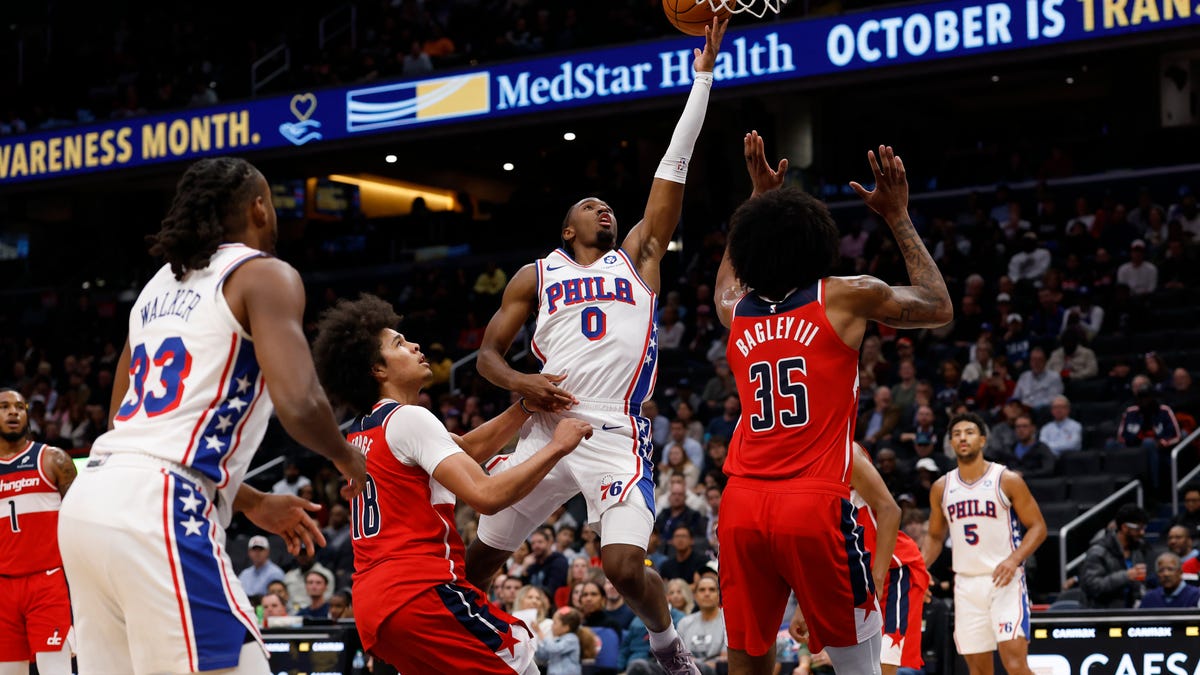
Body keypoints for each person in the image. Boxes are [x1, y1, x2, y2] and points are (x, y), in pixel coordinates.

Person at [466, 20, 728, 675]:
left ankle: (669, 647)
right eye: (591, 206)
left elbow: (675, 165)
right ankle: (474, 649)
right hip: (543, 426)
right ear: (567, 226)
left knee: (619, 565)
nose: (603, 210)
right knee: (476, 560)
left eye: (609, 205)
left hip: (613, 428)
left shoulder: (638, 257)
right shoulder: (537, 273)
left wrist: (702, 77)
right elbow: (487, 357)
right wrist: (520, 383)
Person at [57, 157, 368, 675]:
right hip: (157, 507)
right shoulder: (263, 274)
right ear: (259, 207)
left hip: (94, 499)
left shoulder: (155, 287)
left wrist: (249, 501)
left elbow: (122, 423)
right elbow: (301, 402)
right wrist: (347, 457)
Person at [711, 137, 953, 675]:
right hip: (813, 503)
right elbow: (938, 305)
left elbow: (726, 279)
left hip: (741, 506)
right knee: (858, 669)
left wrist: (754, 199)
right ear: (819, 242)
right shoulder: (843, 294)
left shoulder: (735, 311)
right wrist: (897, 215)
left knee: (748, 662)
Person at [310, 293, 592, 674]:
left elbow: (465, 449)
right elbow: (486, 496)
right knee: (519, 650)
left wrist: (524, 407)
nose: (415, 345)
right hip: (420, 591)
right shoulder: (411, 419)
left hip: (376, 607)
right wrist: (557, 448)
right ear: (377, 369)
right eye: (399, 344)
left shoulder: (365, 430)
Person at [923, 412, 1047, 675]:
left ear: (982, 440)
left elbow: (1038, 527)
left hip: (1005, 581)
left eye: (968, 432)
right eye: (956, 434)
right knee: (978, 671)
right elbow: (935, 536)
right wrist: (919, 570)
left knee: (1015, 664)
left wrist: (1014, 559)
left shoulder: (1007, 479)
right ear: (950, 443)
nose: (962, 438)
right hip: (966, 585)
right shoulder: (941, 488)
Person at [792, 444, 928, 675]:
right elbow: (818, 543)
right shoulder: (799, 465)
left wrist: (878, 575)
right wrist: (803, 606)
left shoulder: (846, 451)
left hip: (892, 569)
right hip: (852, 576)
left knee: (885, 665)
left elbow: (890, 510)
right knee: (859, 666)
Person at [0, 389, 76, 675]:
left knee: (55, 670)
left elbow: (78, 523)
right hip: (3, 587)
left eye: (20, 406)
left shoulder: (53, 460)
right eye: (4, 406)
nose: (13, 412)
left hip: (47, 581)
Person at [1079, 503, 1154, 608]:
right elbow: (1093, 587)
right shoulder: (1099, 551)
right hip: (1103, 616)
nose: (1142, 533)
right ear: (1124, 527)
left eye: (1144, 528)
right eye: (1138, 529)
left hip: (1130, 614)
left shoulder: (1137, 550)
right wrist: (1126, 576)